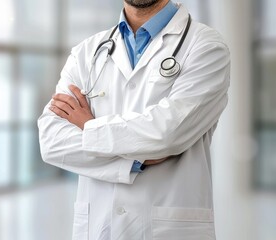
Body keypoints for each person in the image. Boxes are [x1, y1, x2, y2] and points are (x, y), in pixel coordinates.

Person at [37, 0, 230, 239]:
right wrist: (135, 160)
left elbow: (166, 133)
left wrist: (87, 125)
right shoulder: (85, 53)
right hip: (99, 227)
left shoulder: (206, 47)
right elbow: (52, 143)